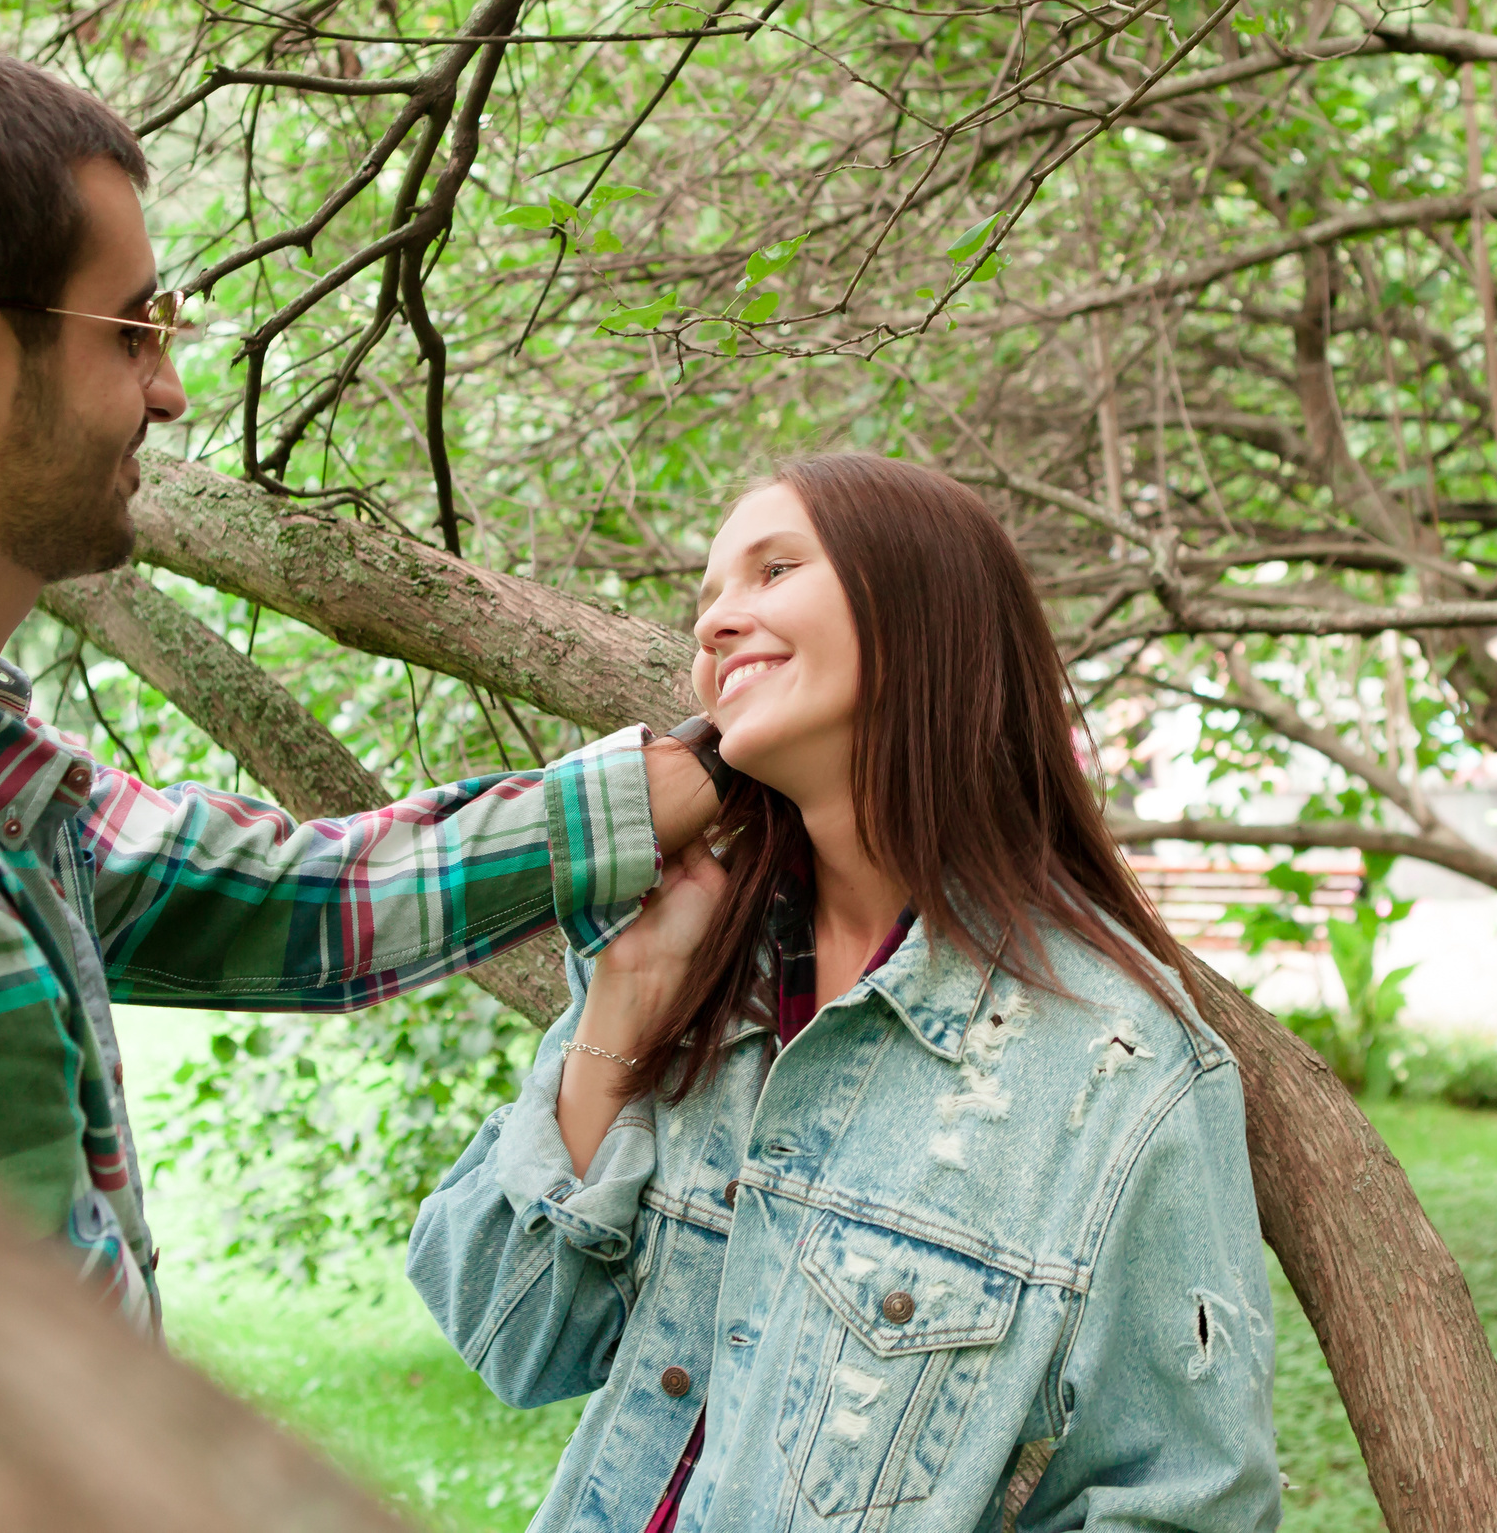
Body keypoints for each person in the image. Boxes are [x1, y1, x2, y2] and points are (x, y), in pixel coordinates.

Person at [0, 38, 722, 1332]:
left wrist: (643, 794)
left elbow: (269, 896)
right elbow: (61, 1475)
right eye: (134, 329)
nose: (168, 392)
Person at [409, 455, 1279, 1532]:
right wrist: (623, 1006)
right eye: (707, 602)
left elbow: (1178, 1503)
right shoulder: (698, 978)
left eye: (774, 570)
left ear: (925, 612)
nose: (718, 623)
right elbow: (514, 1333)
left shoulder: (1117, 1069)